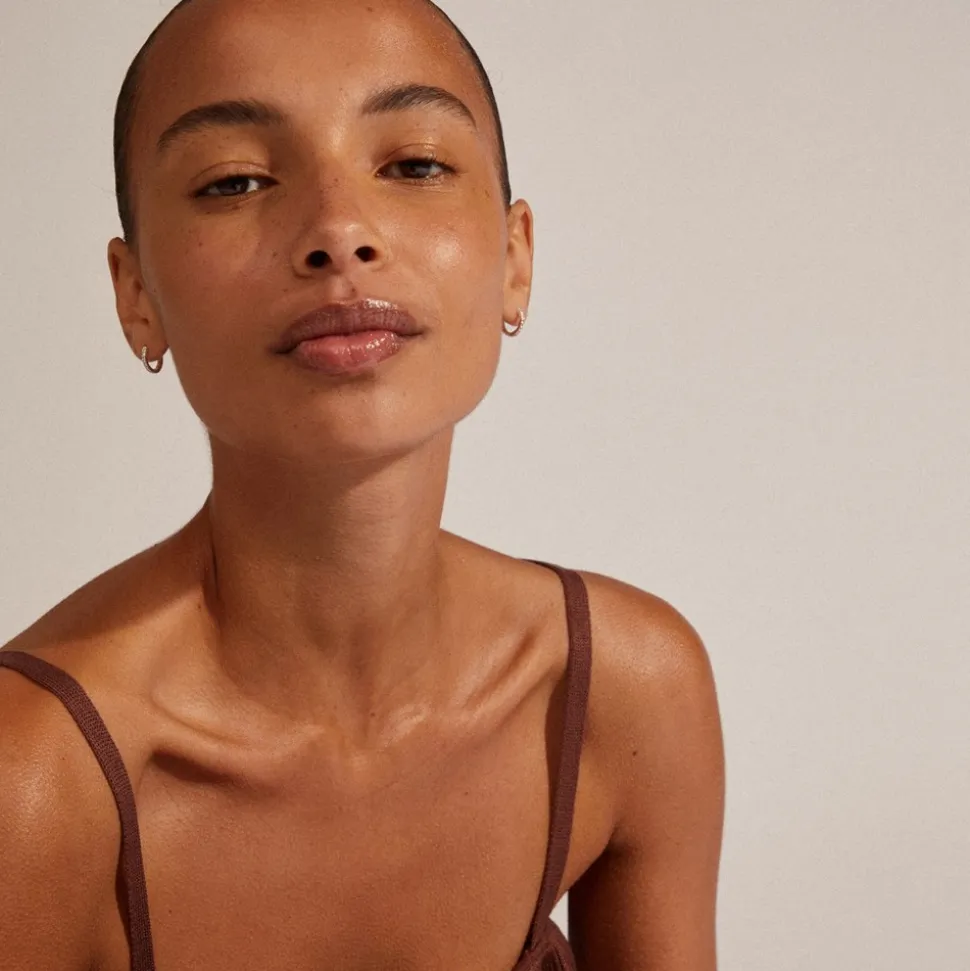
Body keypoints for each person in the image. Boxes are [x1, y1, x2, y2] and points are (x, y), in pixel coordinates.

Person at [0, 1, 725, 968]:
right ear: (137, 296)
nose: (339, 232)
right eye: (235, 180)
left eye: (414, 165)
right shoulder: (32, 778)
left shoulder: (621, 696)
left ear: (515, 258)